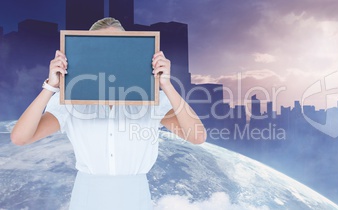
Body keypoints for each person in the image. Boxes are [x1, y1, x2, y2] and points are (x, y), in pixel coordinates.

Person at [10, 17, 206, 210]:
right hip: (87, 197)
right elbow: (20, 137)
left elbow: (197, 136)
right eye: (101, 49)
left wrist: (166, 84)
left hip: (136, 197)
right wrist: (51, 86)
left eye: (117, 48)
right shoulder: (70, 100)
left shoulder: (152, 100)